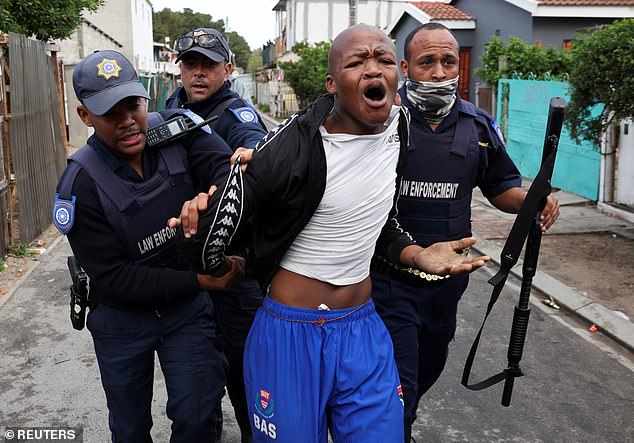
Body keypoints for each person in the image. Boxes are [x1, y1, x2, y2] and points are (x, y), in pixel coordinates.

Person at [169, 24, 489, 442]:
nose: (374, 71)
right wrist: (215, 256)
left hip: (363, 330)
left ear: (399, 74)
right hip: (289, 336)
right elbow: (212, 233)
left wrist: (416, 255)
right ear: (333, 82)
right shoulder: (291, 149)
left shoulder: (400, 128)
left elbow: (378, 221)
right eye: (357, 63)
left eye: (384, 60)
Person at [370, 23, 560, 442]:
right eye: (427, 62)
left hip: (446, 286)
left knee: (428, 366)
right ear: (405, 67)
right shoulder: (382, 125)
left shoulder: (478, 127)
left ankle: (402, 425)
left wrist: (533, 201)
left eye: (448, 61)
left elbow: (501, 188)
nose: (439, 72)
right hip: (388, 281)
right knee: (396, 382)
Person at [53, 50, 244, 442]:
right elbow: (116, 278)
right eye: (110, 113)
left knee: (199, 415)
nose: (127, 122)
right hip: (123, 318)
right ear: (85, 116)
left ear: (145, 99)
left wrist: (210, 198)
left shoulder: (179, 130)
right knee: (130, 428)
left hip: (185, 313)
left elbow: (231, 171)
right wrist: (200, 282)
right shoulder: (79, 187)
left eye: (132, 105)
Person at [166, 27, 269, 443]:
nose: (199, 73)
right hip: (186, 268)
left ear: (227, 69)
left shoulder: (235, 114)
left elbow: (255, 149)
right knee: (197, 386)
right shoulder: (170, 107)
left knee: (246, 378)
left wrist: (248, 161)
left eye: (209, 65)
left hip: (233, 270)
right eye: (191, 64)